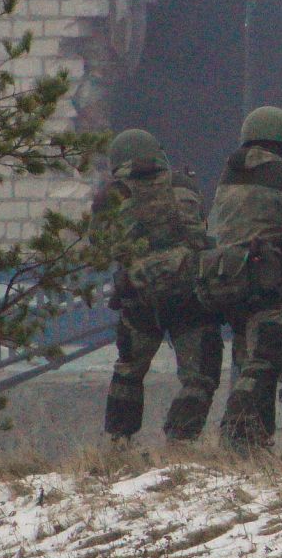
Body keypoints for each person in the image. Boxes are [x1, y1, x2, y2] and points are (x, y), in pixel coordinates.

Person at [202, 106, 282, 452]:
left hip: (228, 280)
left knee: (244, 358)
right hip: (265, 280)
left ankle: (253, 441)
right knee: (264, 361)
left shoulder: (230, 172)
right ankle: (236, 432)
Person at [94, 128, 222, 443]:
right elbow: (203, 233)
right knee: (199, 377)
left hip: (139, 300)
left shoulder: (110, 196)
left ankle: (120, 442)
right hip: (189, 297)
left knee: (128, 371)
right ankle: (180, 440)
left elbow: (98, 250)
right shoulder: (186, 186)